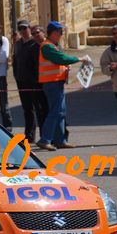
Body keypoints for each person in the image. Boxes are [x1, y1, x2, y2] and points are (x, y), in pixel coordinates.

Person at [36, 21, 90, 151]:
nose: (62, 35)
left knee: (61, 112)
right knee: (55, 111)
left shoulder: (53, 46)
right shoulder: (47, 46)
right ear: (53, 33)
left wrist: (65, 67)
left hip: (57, 82)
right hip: (51, 83)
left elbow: (59, 61)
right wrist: (79, 59)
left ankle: (60, 140)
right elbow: (60, 58)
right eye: (60, 32)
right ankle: (45, 140)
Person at [12, 20, 45, 141]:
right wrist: (16, 76)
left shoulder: (35, 43)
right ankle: (29, 135)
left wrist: (37, 79)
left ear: (29, 29)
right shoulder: (18, 44)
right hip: (21, 81)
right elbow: (15, 61)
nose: (23, 31)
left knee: (39, 109)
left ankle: (44, 135)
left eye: (25, 28)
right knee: (27, 109)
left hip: (34, 82)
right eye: (20, 29)